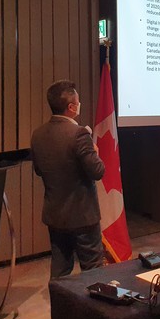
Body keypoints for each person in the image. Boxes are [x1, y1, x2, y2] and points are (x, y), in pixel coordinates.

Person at [31, 80, 106, 278]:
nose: (80, 105)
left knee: (60, 271)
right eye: (78, 102)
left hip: (55, 216)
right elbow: (98, 171)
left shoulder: (38, 134)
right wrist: (95, 152)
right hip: (83, 216)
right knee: (93, 272)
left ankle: (60, 300)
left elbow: (38, 170)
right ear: (71, 107)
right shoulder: (79, 134)